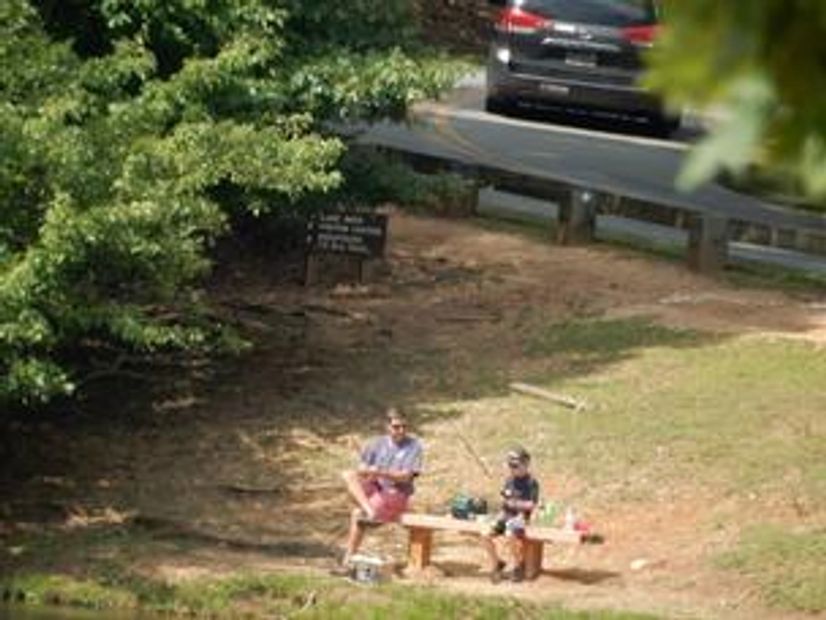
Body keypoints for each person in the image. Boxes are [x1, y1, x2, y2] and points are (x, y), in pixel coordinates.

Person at [334, 407, 424, 572]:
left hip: (397, 493)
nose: (401, 431)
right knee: (348, 475)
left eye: (404, 426)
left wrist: (381, 472)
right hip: (375, 486)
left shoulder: (414, 446)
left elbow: (406, 477)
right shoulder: (376, 443)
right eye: (397, 427)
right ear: (387, 427)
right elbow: (362, 468)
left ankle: (347, 561)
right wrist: (369, 472)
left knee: (357, 514)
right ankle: (370, 510)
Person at [480, 446, 540, 583]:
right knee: (484, 534)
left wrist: (516, 504)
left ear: (525, 464)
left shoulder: (532, 483)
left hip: (521, 518)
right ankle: (497, 564)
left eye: (515, 465)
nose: (512, 469)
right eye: (510, 465)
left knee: (509, 533)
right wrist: (505, 503)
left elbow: (532, 504)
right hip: (506, 515)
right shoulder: (509, 480)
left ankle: (518, 565)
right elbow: (506, 498)